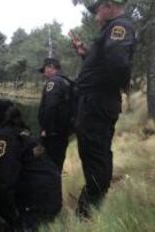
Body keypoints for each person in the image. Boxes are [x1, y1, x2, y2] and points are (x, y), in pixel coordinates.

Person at [71, 0, 136, 217]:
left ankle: (88, 212)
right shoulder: (110, 29)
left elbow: (117, 62)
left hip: (97, 103)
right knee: (96, 153)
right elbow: (105, 61)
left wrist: (115, 86)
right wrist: (85, 53)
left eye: (97, 10)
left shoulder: (120, 26)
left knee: (94, 155)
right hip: (96, 102)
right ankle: (94, 203)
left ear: (109, 6)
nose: (95, 15)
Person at [0, 100, 62, 231]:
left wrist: (12, 219)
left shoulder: (3, 137)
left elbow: (3, 182)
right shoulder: (22, 133)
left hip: (34, 206)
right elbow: (0, 168)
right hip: (50, 199)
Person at [38, 58, 72, 172]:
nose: (44, 73)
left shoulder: (53, 82)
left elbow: (50, 107)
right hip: (63, 132)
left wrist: (45, 130)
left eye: (45, 70)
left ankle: (47, 189)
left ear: (51, 67)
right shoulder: (66, 81)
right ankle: (55, 188)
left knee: (47, 165)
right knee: (57, 165)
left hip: (52, 134)